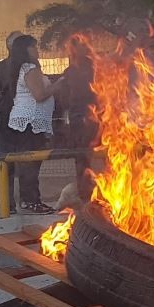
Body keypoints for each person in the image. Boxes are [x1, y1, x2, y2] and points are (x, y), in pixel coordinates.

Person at [8, 34, 63, 214]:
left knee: (30, 163)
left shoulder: (24, 68)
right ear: (25, 50)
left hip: (30, 122)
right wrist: (58, 84)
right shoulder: (29, 68)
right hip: (29, 123)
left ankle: (29, 200)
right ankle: (31, 200)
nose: (37, 50)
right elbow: (39, 95)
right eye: (33, 47)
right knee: (30, 163)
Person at [59, 33, 98, 202]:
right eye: (82, 44)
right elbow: (64, 98)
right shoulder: (70, 72)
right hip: (79, 119)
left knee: (104, 157)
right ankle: (85, 196)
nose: (87, 47)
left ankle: (101, 194)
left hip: (99, 118)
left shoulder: (95, 66)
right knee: (82, 158)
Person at [0, 31, 24, 205]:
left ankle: (28, 200)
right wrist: (0, 105)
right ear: (10, 46)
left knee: (27, 160)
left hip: (26, 121)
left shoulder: (29, 65)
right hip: (6, 120)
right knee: (6, 161)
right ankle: (8, 202)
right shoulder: (1, 67)